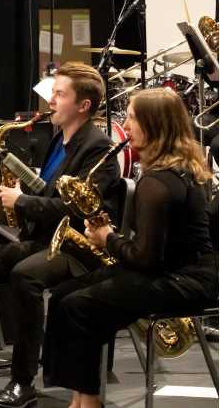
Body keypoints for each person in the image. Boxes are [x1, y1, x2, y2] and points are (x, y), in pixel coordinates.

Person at [0, 62, 121, 407]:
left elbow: (78, 210)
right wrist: (23, 197)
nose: (52, 101)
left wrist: (24, 201)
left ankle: (23, 381)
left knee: (24, 276)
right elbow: (51, 192)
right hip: (45, 238)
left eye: (60, 94)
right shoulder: (59, 138)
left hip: (78, 248)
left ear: (84, 105)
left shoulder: (98, 148)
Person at [42, 88, 218, 408]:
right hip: (183, 271)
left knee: (79, 305)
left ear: (151, 125)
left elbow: (146, 259)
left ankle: (87, 401)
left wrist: (107, 237)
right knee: (64, 294)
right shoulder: (178, 168)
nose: (126, 123)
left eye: (132, 117)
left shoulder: (158, 182)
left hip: (185, 280)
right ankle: (81, 397)